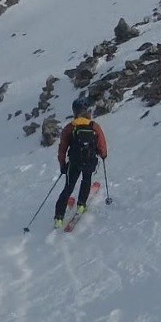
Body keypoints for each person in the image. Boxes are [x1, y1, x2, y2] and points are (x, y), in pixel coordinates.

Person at [54, 96, 108, 227]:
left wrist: (62, 165)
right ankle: (81, 205)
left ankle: (59, 218)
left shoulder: (70, 127)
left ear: (74, 111)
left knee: (68, 187)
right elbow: (102, 145)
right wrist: (103, 155)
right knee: (86, 180)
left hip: (74, 162)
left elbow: (62, 148)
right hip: (90, 160)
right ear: (87, 110)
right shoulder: (94, 126)